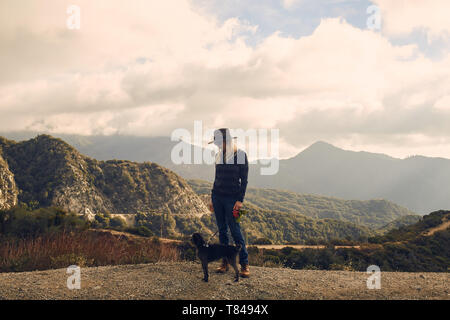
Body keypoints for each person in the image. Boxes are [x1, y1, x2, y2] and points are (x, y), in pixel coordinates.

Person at [208, 128, 250, 278]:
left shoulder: (241, 155)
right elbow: (216, 178)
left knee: (235, 231)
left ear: (227, 141)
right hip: (217, 197)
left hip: (232, 199)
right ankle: (225, 262)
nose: (218, 146)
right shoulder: (219, 155)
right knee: (222, 230)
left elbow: (244, 181)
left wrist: (240, 200)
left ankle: (244, 264)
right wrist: (211, 199)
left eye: (220, 143)